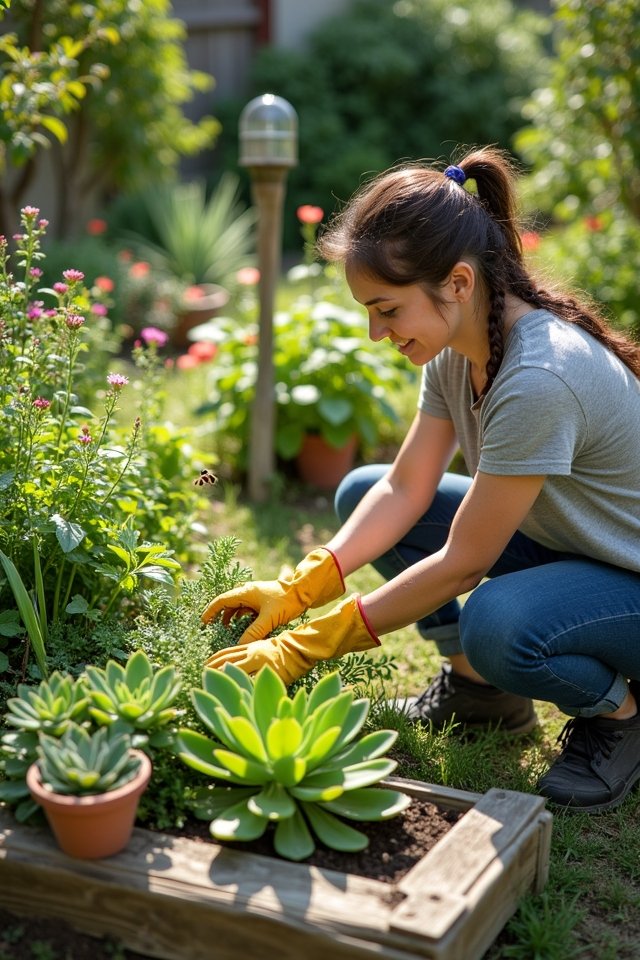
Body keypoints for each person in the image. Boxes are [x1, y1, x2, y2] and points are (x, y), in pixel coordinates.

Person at [203, 146, 640, 814]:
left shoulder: (539, 378)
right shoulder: (459, 345)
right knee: (361, 491)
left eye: (387, 309)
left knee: (497, 622)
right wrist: (302, 587)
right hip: (580, 549)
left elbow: (466, 563)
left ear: (458, 283)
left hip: (627, 582)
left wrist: (309, 645)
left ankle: (620, 717)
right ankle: (480, 693)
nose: (377, 333)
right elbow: (403, 489)